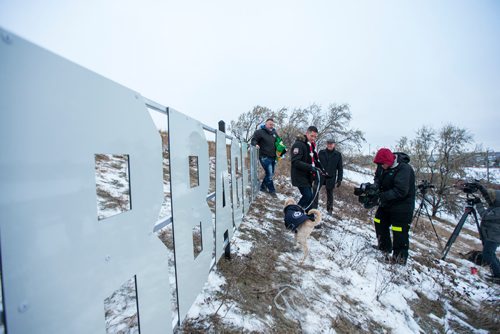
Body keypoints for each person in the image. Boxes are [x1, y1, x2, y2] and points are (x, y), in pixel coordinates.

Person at [372, 148, 415, 265]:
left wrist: (381, 196)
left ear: (389, 161)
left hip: (402, 206)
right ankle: (384, 247)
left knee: (399, 230)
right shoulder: (382, 165)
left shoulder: (404, 169)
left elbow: (401, 191)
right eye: (379, 165)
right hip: (386, 202)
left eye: (382, 164)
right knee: (379, 221)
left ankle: (399, 257)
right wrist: (375, 187)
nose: (381, 167)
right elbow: (377, 178)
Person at [290, 126, 325, 210]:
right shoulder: (298, 144)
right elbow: (295, 162)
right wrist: (311, 167)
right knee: (307, 196)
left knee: (310, 197)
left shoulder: (311, 145)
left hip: (307, 176)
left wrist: (322, 170)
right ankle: (293, 212)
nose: (313, 138)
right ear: (307, 134)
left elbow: (315, 160)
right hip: (299, 175)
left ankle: (309, 217)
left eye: (315, 137)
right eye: (312, 136)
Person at [475, 186, 500, 283]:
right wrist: (480, 188)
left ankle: (498, 275)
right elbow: (488, 196)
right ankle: (498, 273)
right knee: (491, 254)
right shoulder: (496, 206)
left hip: (494, 236)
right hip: (491, 235)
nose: (491, 200)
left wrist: (478, 204)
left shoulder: (498, 210)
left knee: (487, 254)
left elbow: (484, 215)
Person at [313, 138, 343, 214]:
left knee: (330, 193)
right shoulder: (321, 152)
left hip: (331, 177)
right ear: (326, 144)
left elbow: (340, 168)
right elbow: (316, 163)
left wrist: (339, 179)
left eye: (331, 143)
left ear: (334, 144)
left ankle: (329, 210)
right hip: (320, 175)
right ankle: (314, 207)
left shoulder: (338, 154)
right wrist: (313, 174)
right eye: (328, 143)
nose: (329, 145)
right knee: (315, 190)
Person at [251, 118, 279, 197]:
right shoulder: (259, 132)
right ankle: (272, 191)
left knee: (270, 173)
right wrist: (255, 144)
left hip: (273, 156)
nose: (271, 126)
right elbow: (253, 140)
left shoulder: (274, 133)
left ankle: (263, 187)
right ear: (266, 124)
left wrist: (281, 149)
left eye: (272, 124)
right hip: (264, 156)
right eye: (270, 124)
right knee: (269, 174)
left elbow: (279, 142)